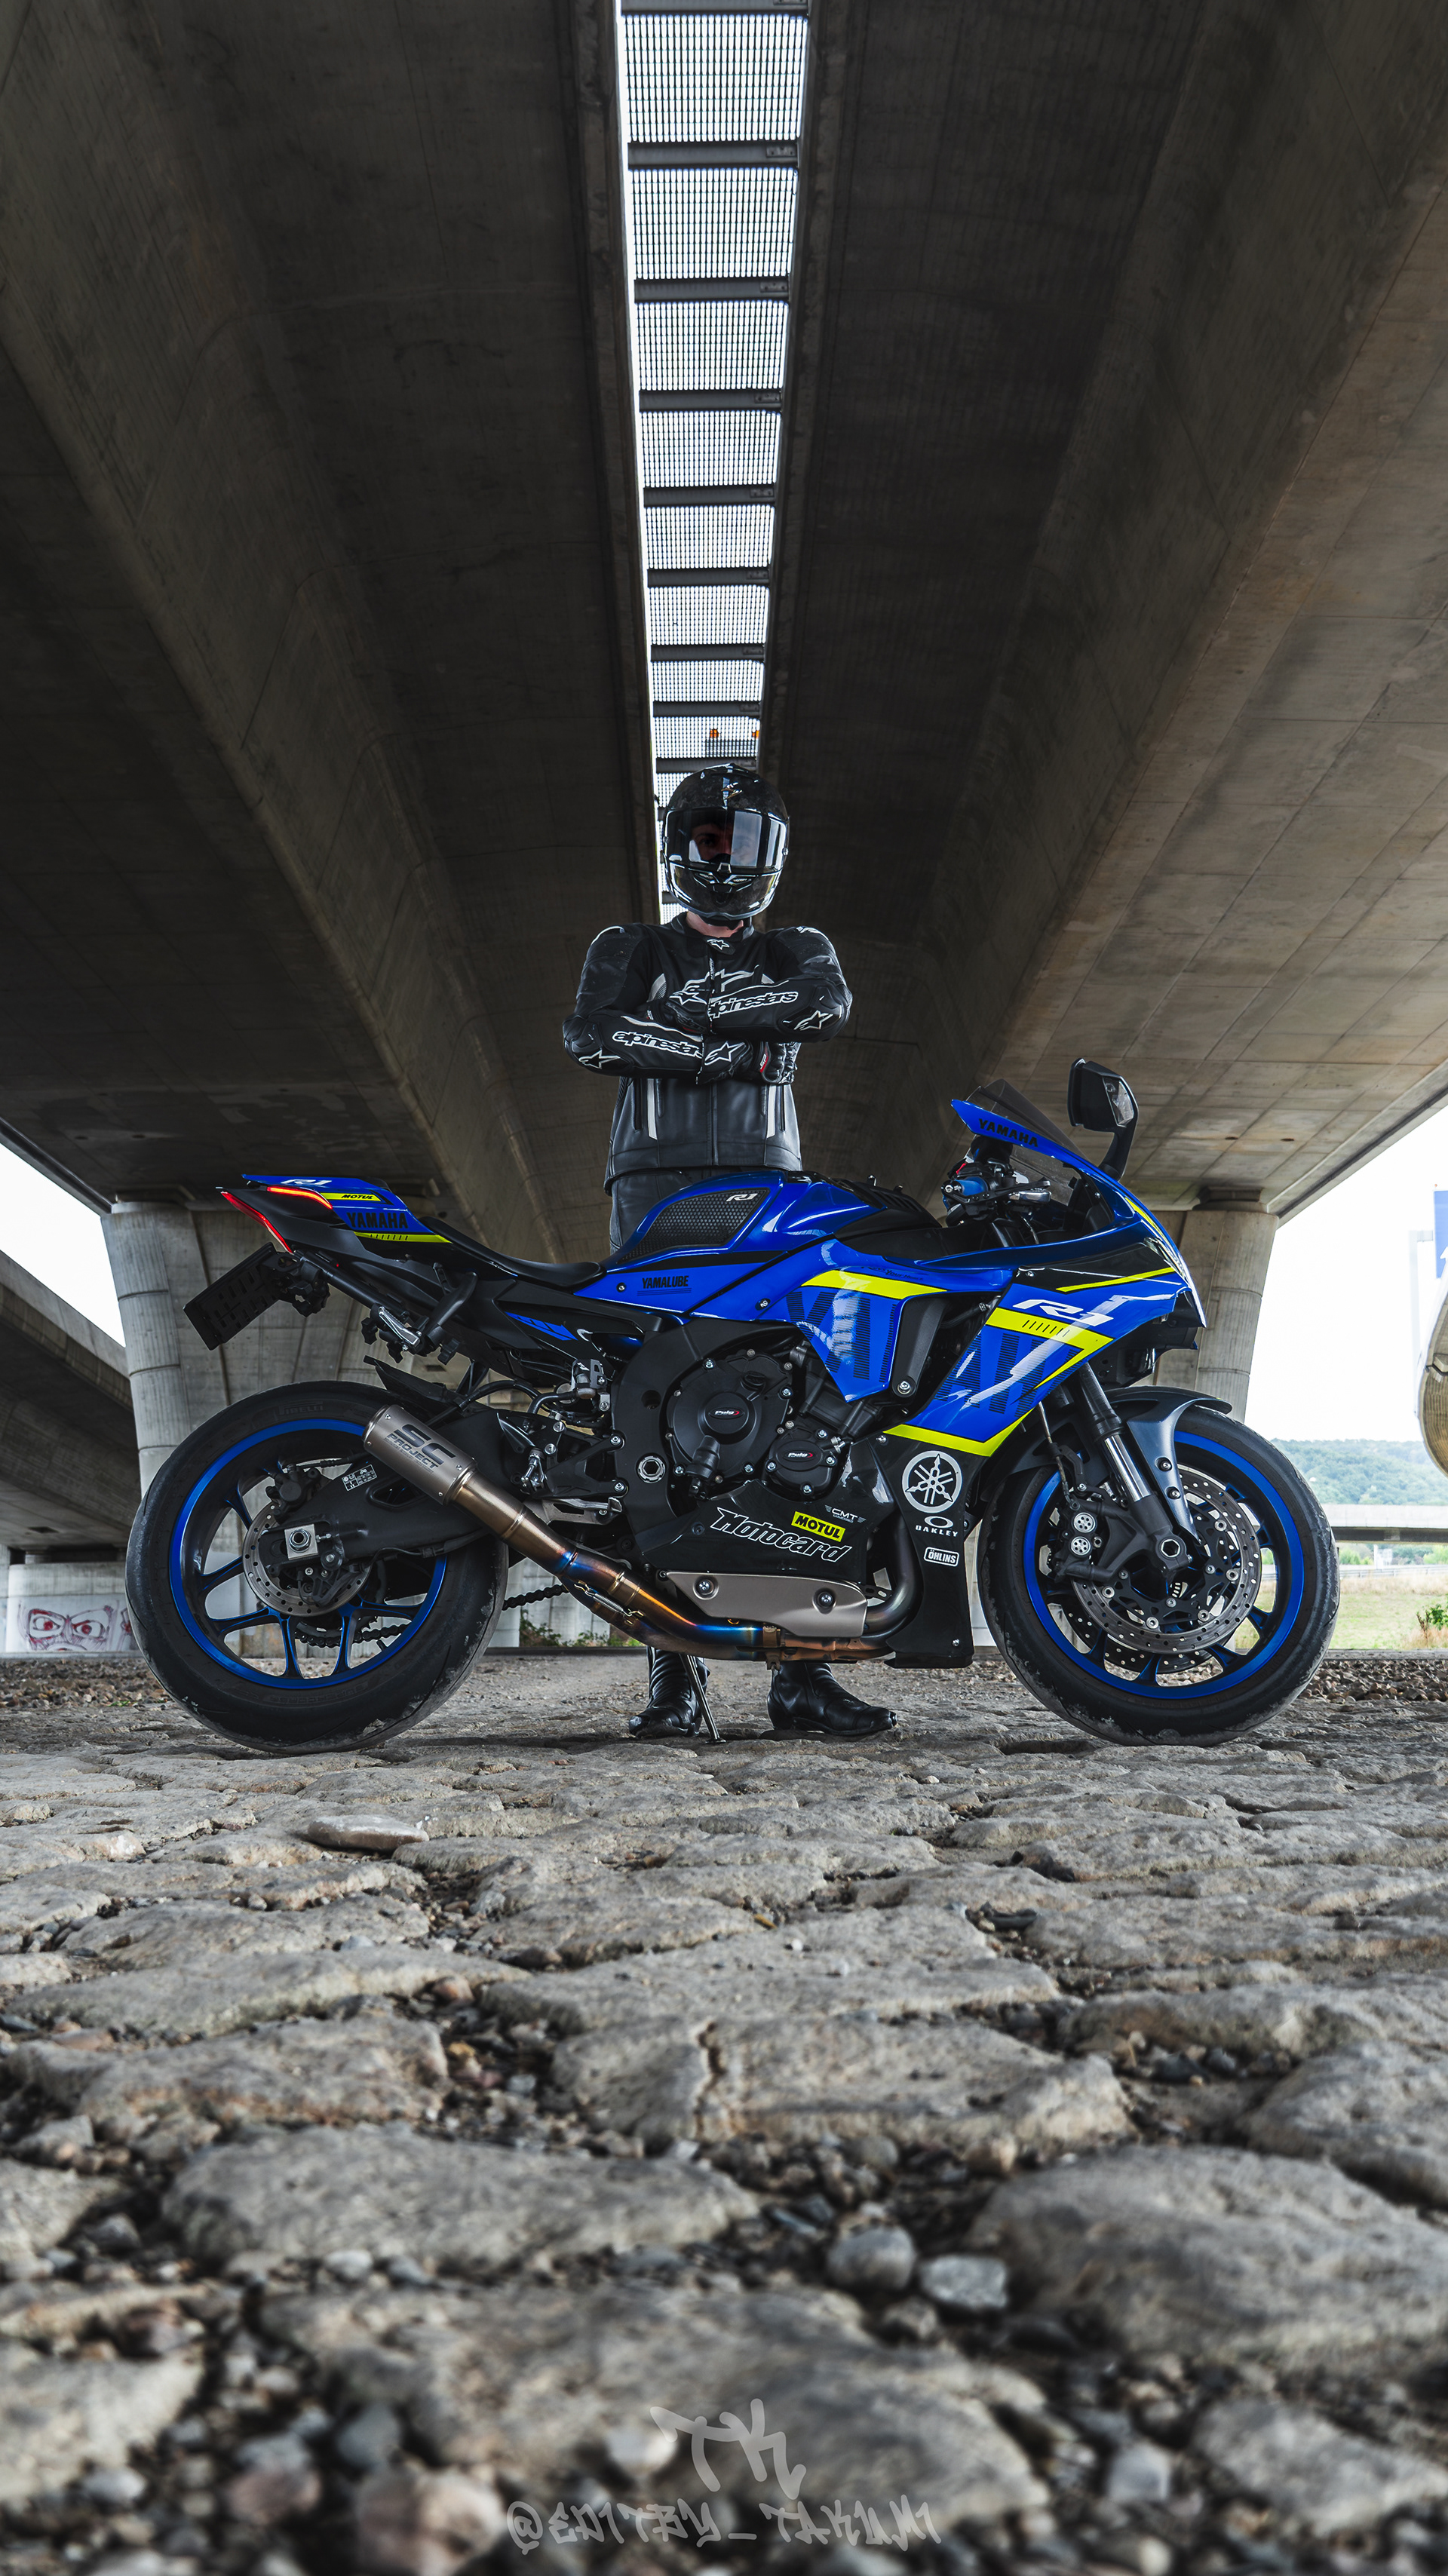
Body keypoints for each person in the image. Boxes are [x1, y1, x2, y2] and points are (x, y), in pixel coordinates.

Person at [563, 764, 897, 1744]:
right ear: (680, 846)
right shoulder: (627, 944)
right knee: (652, 1421)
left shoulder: (801, 946)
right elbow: (591, 1034)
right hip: (655, 1190)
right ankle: (674, 1681)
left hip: (769, 1193)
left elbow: (825, 1008)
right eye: (709, 839)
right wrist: (735, 1046)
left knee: (798, 1422)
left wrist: (683, 1020)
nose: (724, 858)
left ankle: (805, 1678)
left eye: (739, 841)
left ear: (771, 856)